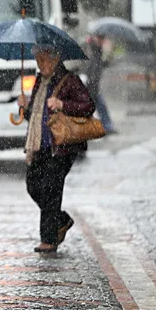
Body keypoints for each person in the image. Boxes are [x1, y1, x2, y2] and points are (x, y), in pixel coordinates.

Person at [18, 45, 95, 253]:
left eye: (44, 60)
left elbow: (88, 106)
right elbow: (34, 116)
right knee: (33, 185)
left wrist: (62, 104)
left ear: (55, 59)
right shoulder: (39, 82)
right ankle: (61, 219)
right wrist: (24, 107)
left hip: (61, 146)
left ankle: (49, 239)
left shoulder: (69, 80)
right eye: (38, 61)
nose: (40, 65)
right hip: (40, 145)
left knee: (51, 189)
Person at [84, 34, 116, 134]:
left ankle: (106, 126)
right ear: (97, 39)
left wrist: (109, 59)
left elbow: (99, 64)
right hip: (90, 85)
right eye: (102, 39)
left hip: (93, 85)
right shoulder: (92, 50)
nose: (103, 42)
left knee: (100, 106)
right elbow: (91, 67)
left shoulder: (97, 50)